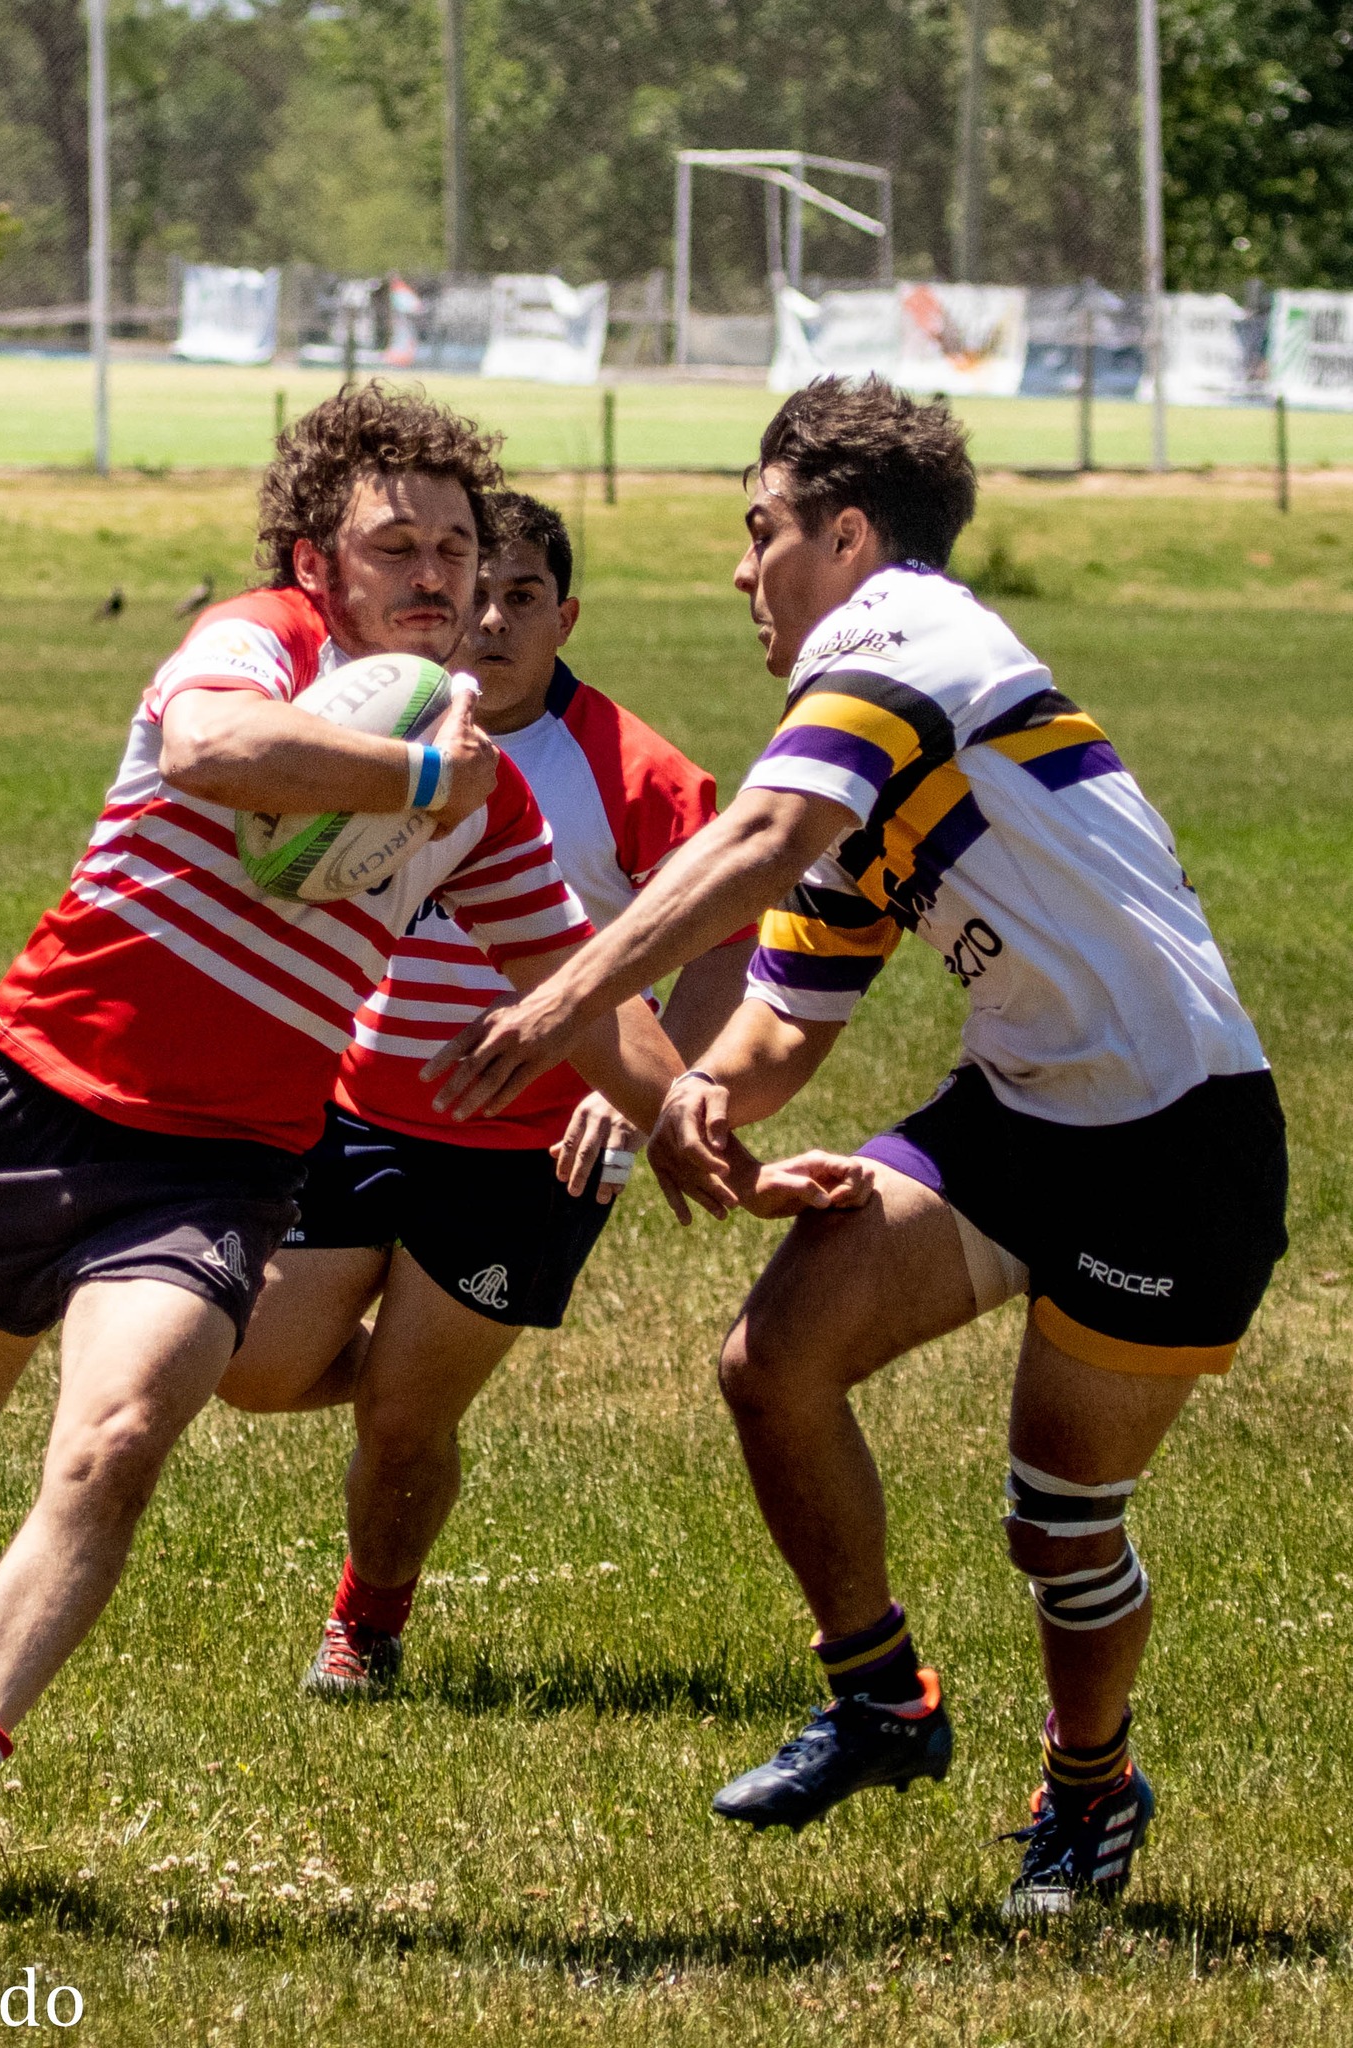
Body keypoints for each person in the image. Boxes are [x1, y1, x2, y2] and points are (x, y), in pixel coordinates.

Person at [423, 377, 1288, 1915]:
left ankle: (1089, 1788)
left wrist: (555, 1004)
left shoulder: (901, 638)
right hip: (1019, 1111)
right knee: (771, 1360)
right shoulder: (859, 738)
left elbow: (750, 843)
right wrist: (698, 1096)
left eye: (757, 532)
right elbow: (787, 1010)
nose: (738, 570)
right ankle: (882, 1699)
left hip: (1176, 1142)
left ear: (845, 534)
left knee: (1054, 1518)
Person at [0, 385, 693, 1921]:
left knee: (112, 1444)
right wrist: (417, 777)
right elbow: (210, 750)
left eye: (459, 546)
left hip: (223, 1160)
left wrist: (694, 1116)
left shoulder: (486, 800)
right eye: (398, 545)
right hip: (36, 1093)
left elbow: (572, 989)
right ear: (319, 560)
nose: (437, 576)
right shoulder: (256, 642)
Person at [218, 490, 782, 1696]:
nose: (491, 619)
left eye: (524, 597)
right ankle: (409, 1367)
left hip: (531, 1151)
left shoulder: (635, 768)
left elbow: (733, 933)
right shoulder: (383, 726)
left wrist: (633, 1096)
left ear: (564, 616)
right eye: (476, 590)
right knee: (249, 1363)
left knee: (406, 1426)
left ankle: (366, 1624)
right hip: (356, 1104)